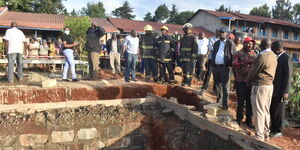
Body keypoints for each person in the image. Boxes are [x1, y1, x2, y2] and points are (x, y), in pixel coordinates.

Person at [247, 38, 278, 141]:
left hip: (260, 85)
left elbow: (254, 71)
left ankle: (259, 135)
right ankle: (265, 132)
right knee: (265, 110)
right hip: (269, 85)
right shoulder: (274, 55)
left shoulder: (262, 55)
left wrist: (248, 79)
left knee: (258, 110)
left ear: (262, 45)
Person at [270, 40, 293, 138]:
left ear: (278, 49)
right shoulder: (277, 57)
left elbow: (288, 76)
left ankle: (278, 131)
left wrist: (285, 91)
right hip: (274, 89)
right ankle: (273, 128)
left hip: (281, 90)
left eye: (273, 49)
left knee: (279, 111)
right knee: (273, 110)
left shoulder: (286, 58)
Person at [232, 37, 256, 128]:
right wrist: (246, 62)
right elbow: (234, 65)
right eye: (248, 43)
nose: (250, 45)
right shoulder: (238, 54)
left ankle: (248, 121)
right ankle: (238, 119)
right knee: (240, 102)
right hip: (240, 81)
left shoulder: (254, 54)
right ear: (244, 43)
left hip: (251, 83)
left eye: (251, 44)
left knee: (250, 102)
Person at [211, 27, 236, 109]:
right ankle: (219, 101)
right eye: (220, 32)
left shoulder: (230, 43)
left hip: (225, 68)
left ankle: (224, 104)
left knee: (225, 86)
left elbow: (233, 56)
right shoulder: (216, 43)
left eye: (223, 32)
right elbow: (214, 54)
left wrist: (231, 66)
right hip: (216, 67)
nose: (221, 34)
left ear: (227, 34)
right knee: (217, 85)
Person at [199, 29, 219, 95]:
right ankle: (204, 89)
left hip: (218, 60)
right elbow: (210, 48)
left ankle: (215, 90)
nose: (219, 34)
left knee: (216, 75)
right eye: (218, 32)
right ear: (216, 32)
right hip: (211, 59)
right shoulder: (211, 39)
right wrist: (218, 49)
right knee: (208, 74)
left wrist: (216, 48)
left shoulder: (221, 41)